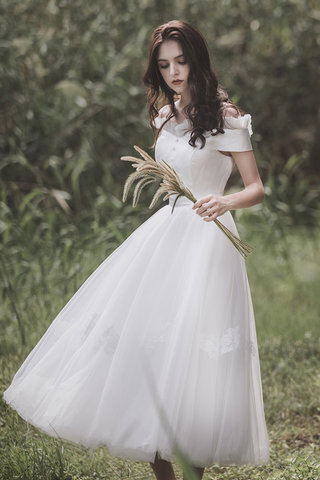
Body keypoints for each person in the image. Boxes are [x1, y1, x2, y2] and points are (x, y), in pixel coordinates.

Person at [3, 19, 269, 480]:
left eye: (181, 61)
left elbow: (256, 188)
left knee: (196, 358)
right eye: (164, 64)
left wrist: (223, 200)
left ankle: (194, 468)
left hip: (208, 243)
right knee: (151, 347)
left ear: (197, 61)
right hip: (165, 237)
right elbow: (167, 179)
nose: (173, 72)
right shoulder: (163, 116)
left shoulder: (227, 119)